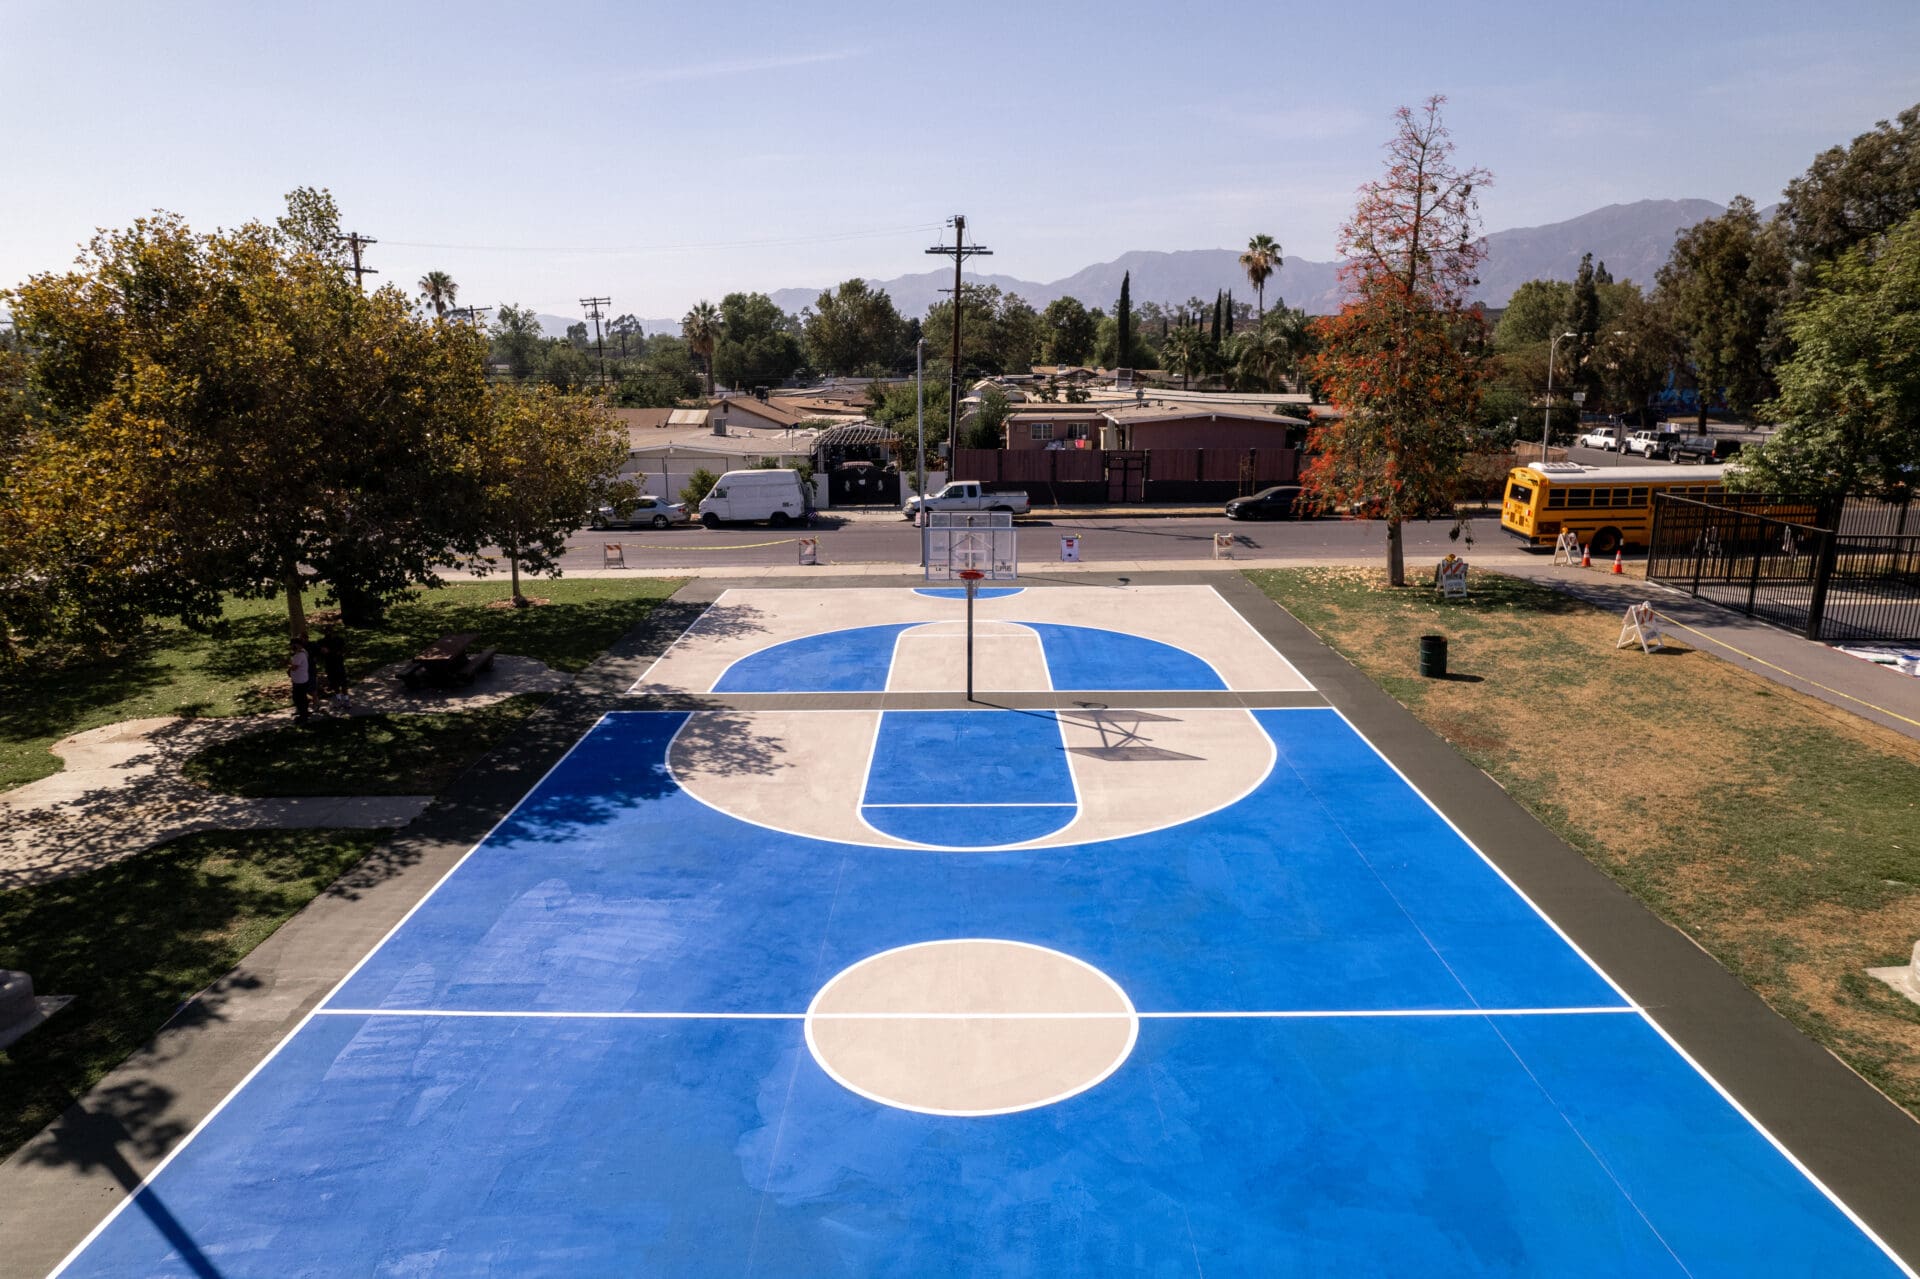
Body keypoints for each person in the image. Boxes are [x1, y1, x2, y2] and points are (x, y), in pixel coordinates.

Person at [319, 630, 349, 710]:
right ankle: (339, 700)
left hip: (338, 665)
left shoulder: (339, 640)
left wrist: (330, 652)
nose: (328, 633)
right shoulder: (323, 641)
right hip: (330, 666)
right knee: (335, 684)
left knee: (343, 684)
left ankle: (346, 701)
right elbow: (322, 653)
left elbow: (343, 650)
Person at [288, 639, 313, 722]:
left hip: (299, 681)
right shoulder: (303, 652)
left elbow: (294, 668)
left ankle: (303, 717)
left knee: (298, 698)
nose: (291, 647)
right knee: (302, 697)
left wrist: (286, 664)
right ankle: (305, 712)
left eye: (293, 645)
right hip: (302, 679)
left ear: (297, 645)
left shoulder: (299, 655)